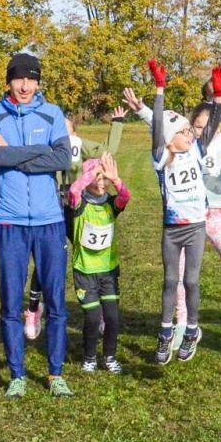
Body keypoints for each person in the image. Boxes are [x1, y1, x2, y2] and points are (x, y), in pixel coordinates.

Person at [125, 70, 221, 340]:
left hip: (216, 214)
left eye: (207, 126)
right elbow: (163, 128)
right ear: (191, 128)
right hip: (186, 219)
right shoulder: (189, 146)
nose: (203, 131)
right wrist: (142, 110)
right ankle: (181, 324)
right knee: (179, 275)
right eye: (197, 127)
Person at [0, 51, 74, 399]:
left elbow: (62, 159)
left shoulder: (53, 113)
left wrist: (15, 152)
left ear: (37, 82)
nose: (24, 86)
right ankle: (17, 374)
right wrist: (39, 152)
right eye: (18, 78)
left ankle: (55, 374)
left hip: (50, 221)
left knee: (56, 302)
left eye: (31, 79)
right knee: (9, 303)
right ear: (9, 80)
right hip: (10, 222)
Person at [149, 59, 221, 364]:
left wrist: (218, 97)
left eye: (189, 129)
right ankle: (165, 332)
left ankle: (192, 330)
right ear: (170, 138)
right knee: (170, 281)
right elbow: (158, 125)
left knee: (191, 281)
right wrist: (159, 89)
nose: (190, 134)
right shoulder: (161, 157)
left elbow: (213, 123)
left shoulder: (196, 149)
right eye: (183, 132)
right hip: (172, 230)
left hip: (196, 228)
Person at [23, 112, 123, 340]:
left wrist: (117, 123)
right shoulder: (46, 145)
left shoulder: (78, 145)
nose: (62, 135)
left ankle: (103, 309)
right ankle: (33, 309)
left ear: (75, 133)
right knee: (46, 257)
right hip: (51, 209)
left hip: (78, 209)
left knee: (94, 253)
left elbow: (106, 152)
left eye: (66, 130)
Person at [67, 154, 130, 372]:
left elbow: (125, 196)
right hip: (85, 271)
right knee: (93, 318)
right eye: (97, 179)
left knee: (112, 317)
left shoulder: (111, 204)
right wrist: (91, 173)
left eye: (104, 179)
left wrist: (116, 179)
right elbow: (73, 191)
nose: (101, 183)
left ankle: (110, 357)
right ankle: (90, 358)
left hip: (108, 272)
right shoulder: (79, 203)